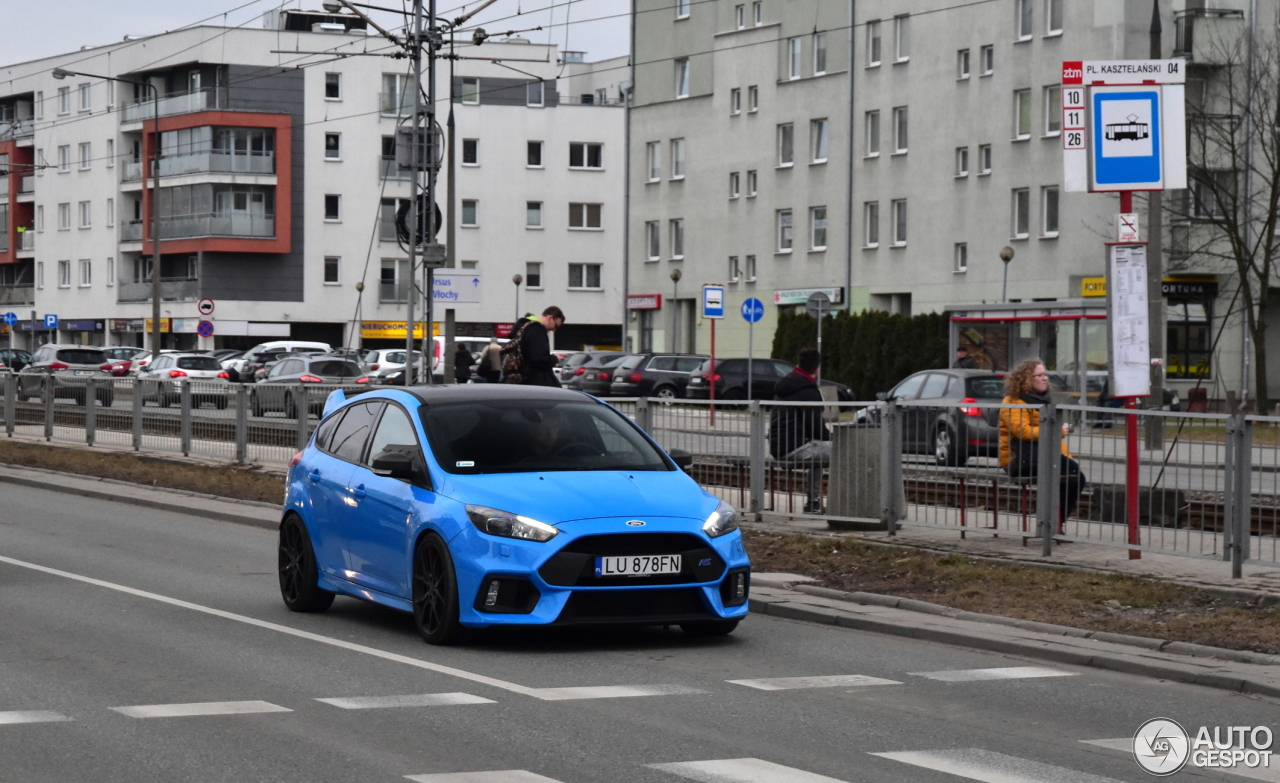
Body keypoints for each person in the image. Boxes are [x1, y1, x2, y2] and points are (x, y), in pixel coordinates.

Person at [999, 358, 1086, 532]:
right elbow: (1022, 432)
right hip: (1019, 459)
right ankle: (1053, 524)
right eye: (1039, 375)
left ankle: (1055, 523)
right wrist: (1057, 431)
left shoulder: (1042, 400)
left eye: (1045, 374)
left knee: (1074, 476)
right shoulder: (1014, 402)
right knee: (1074, 475)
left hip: (1041, 456)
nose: (1045, 378)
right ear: (1027, 379)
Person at [769, 348, 831, 514]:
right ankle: (841, 502)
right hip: (795, 448)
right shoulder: (808, 391)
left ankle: (814, 502)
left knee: (820, 451)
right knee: (841, 451)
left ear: (798, 364)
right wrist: (833, 438)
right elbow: (816, 428)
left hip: (778, 447)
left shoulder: (785, 385)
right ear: (816, 369)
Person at [517, 306, 565, 387]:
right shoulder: (536, 331)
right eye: (556, 325)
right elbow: (539, 359)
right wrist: (555, 358)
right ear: (550, 318)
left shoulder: (524, 328)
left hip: (522, 378)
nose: (554, 330)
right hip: (534, 382)